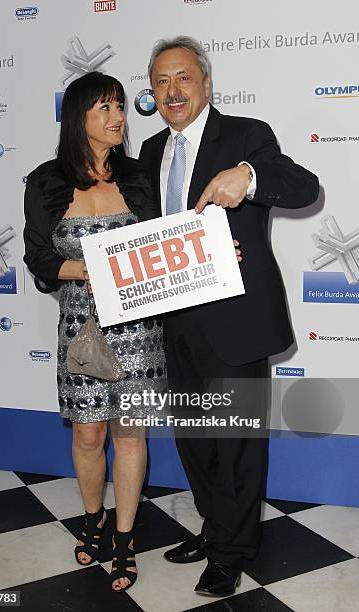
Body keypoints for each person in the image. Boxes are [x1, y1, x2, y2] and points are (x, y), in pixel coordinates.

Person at [139, 36, 319, 598]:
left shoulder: (246, 136)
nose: (172, 91)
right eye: (161, 81)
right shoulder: (149, 151)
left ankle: (234, 552)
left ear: (206, 84)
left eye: (183, 78)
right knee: (195, 437)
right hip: (174, 320)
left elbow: (302, 186)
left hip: (235, 319)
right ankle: (215, 530)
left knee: (236, 440)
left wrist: (250, 177)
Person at [23, 72, 166, 592]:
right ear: (77, 117)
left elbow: (165, 245)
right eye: (104, 108)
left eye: (121, 107)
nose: (118, 118)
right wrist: (91, 268)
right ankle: (92, 519)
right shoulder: (46, 182)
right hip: (83, 330)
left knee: (130, 435)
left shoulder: (139, 176)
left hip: (140, 330)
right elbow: (38, 258)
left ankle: (125, 541)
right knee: (89, 433)